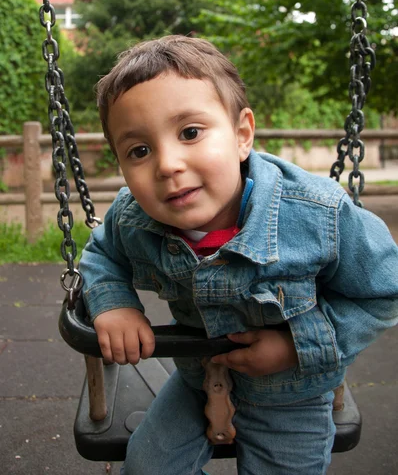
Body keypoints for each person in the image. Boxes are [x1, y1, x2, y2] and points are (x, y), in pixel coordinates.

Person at [80, 35, 398, 475]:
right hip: (194, 379)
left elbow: (385, 290)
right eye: (139, 150)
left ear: (242, 134)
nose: (167, 164)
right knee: (145, 468)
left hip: (293, 390)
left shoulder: (316, 213)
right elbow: (102, 255)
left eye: (190, 133)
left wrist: (294, 346)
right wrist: (114, 302)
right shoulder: (132, 218)